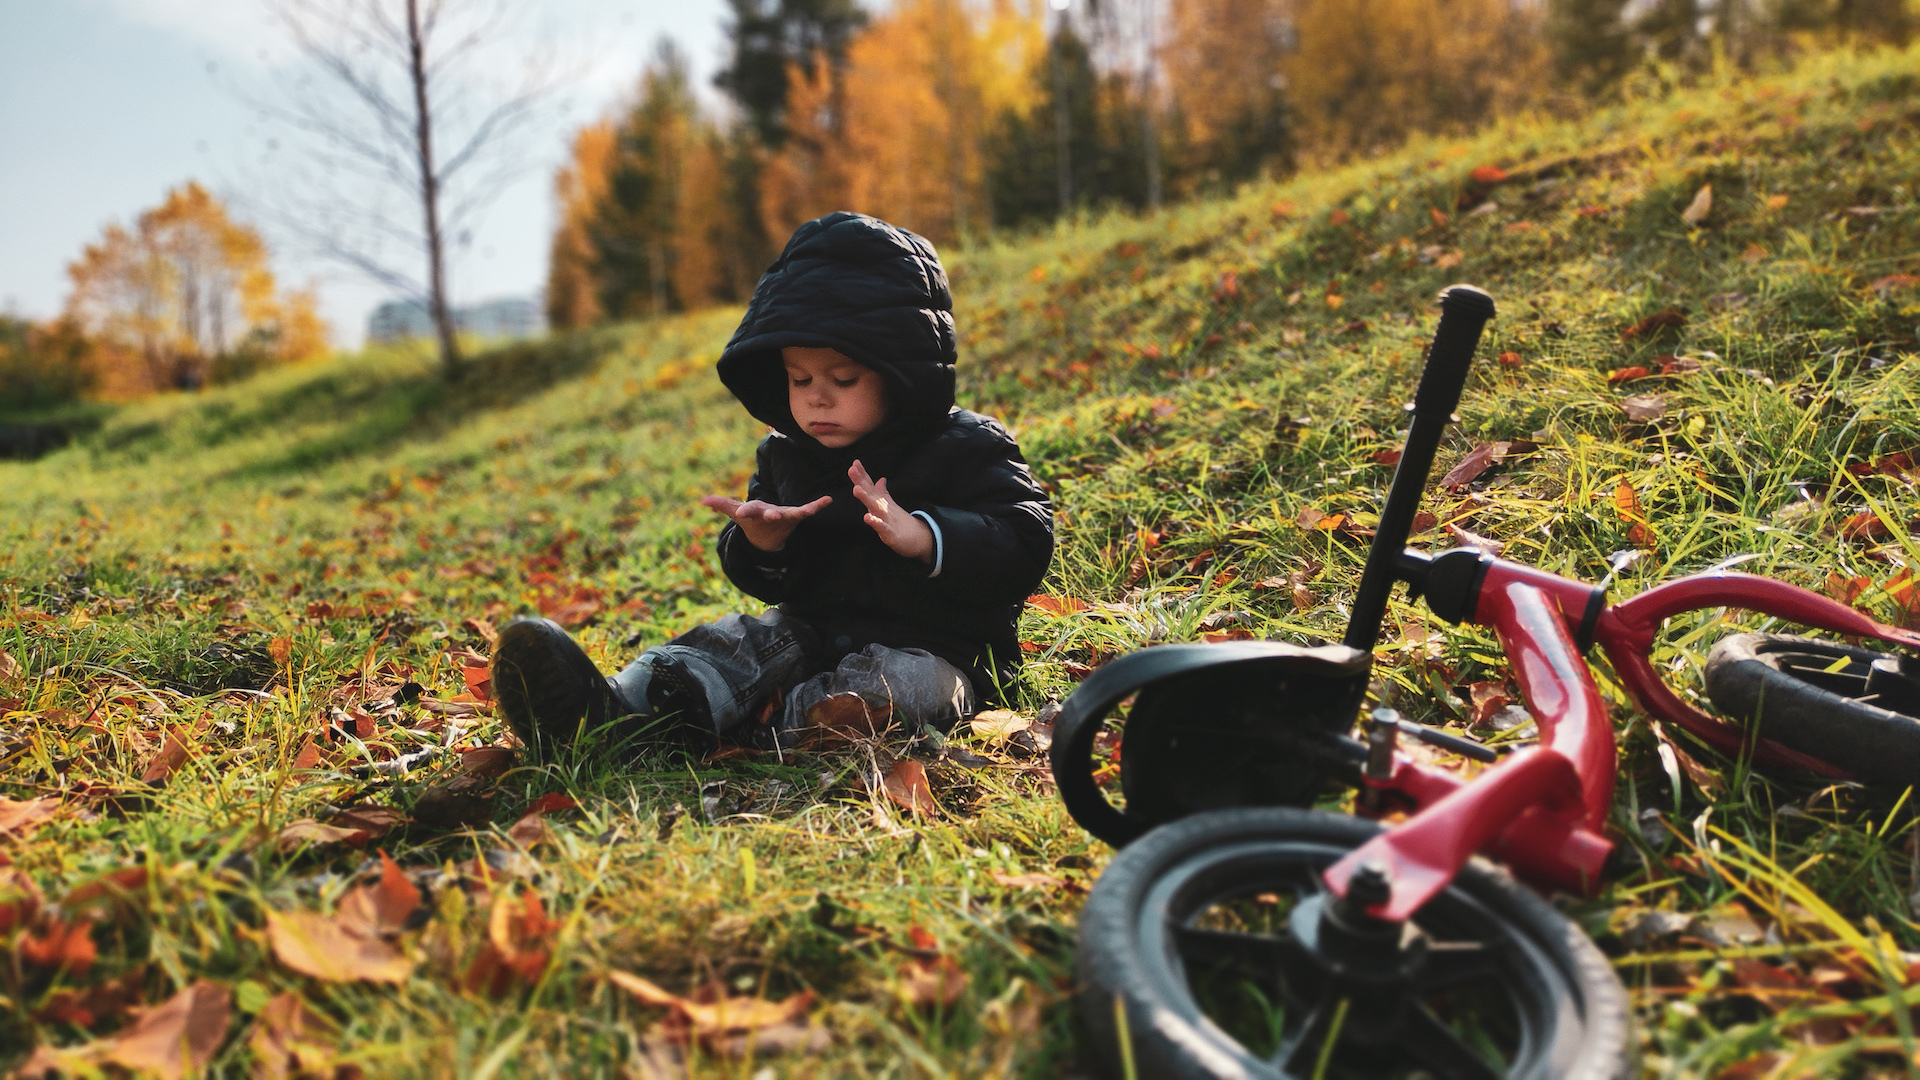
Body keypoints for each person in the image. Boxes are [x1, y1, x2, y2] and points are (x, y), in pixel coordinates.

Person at [490, 211, 1054, 755]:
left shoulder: (969, 445)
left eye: (843, 377)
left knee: (908, 688)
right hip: (810, 634)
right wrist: (763, 546)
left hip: (940, 649)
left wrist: (927, 537)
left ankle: (749, 729)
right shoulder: (789, 457)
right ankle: (625, 707)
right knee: (737, 639)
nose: (816, 396)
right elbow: (772, 581)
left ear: (902, 375)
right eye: (799, 378)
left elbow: (1026, 538)